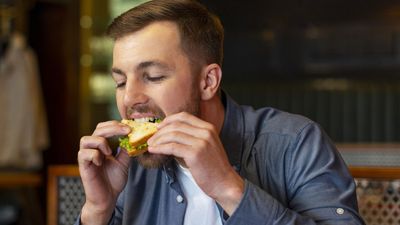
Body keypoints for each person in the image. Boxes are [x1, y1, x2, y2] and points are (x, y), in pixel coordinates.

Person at [76, 0, 365, 224]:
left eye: (153, 76)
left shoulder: (296, 143)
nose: (129, 98)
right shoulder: (130, 168)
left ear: (208, 81)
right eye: (121, 82)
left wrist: (228, 188)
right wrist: (97, 211)